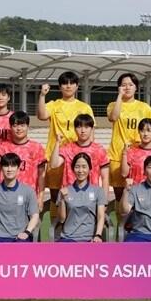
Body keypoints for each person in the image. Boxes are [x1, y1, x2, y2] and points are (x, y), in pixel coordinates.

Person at [37, 71, 95, 220]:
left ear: (77, 86)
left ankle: (79, 223)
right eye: (65, 83)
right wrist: (42, 95)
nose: (68, 86)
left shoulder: (84, 107)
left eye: (71, 83)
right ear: (60, 86)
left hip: (77, 155)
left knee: (78, 189)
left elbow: (91, 131)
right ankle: (56, 225)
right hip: (56, 155)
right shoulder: (54, 104)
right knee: (56, 192)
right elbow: (42, 115)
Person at [107, 73, 151, 202]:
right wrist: (120, 96)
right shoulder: (113, 105)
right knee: (119, 194)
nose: (127, 88)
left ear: (136, 88)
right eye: (123, 85)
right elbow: (113, 117)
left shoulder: (144, 107)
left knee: (141, 192)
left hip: (139, 155)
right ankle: (121, 221)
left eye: (131, 85)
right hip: (117, 155)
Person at [0, 111, 47, 212]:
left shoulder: (36, 148)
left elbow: (42, 175)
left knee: (30, 226)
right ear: (10, 127)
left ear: (28, 126)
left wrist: (40, 198)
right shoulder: (4, 147)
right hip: (6, 196)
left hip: (29, 197)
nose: (19, 129)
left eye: (22, 125)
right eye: (15, 125)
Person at [0, 153, 40, 242]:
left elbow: (35, 215)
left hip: (19, 237)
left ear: (18, 169)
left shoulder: (28, 191)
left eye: (13, 166)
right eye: (6, 166)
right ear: (1, 169)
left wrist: (27, 232)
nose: (9, 169)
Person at [50, 113, 110, 204]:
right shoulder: (67, 148)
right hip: (69, 196)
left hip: (91, 196)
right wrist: (57, 143)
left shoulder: (99, 150)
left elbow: (105, 177)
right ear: (74, 129)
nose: (82, 131)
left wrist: (104, 200)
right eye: (79, 127)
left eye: (86, 127)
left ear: (92, 129)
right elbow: (54, 165)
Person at [57, 153, 107, 242]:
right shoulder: (64, 191)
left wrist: (98, 235)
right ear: (73, 169)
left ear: (90, 169)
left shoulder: (98, 191)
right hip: (68, 238)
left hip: (89, 239)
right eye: (77, 167)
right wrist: (62, 200)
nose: (80, 170)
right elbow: (61, 219)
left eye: (84, 167)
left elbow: (101, 216)